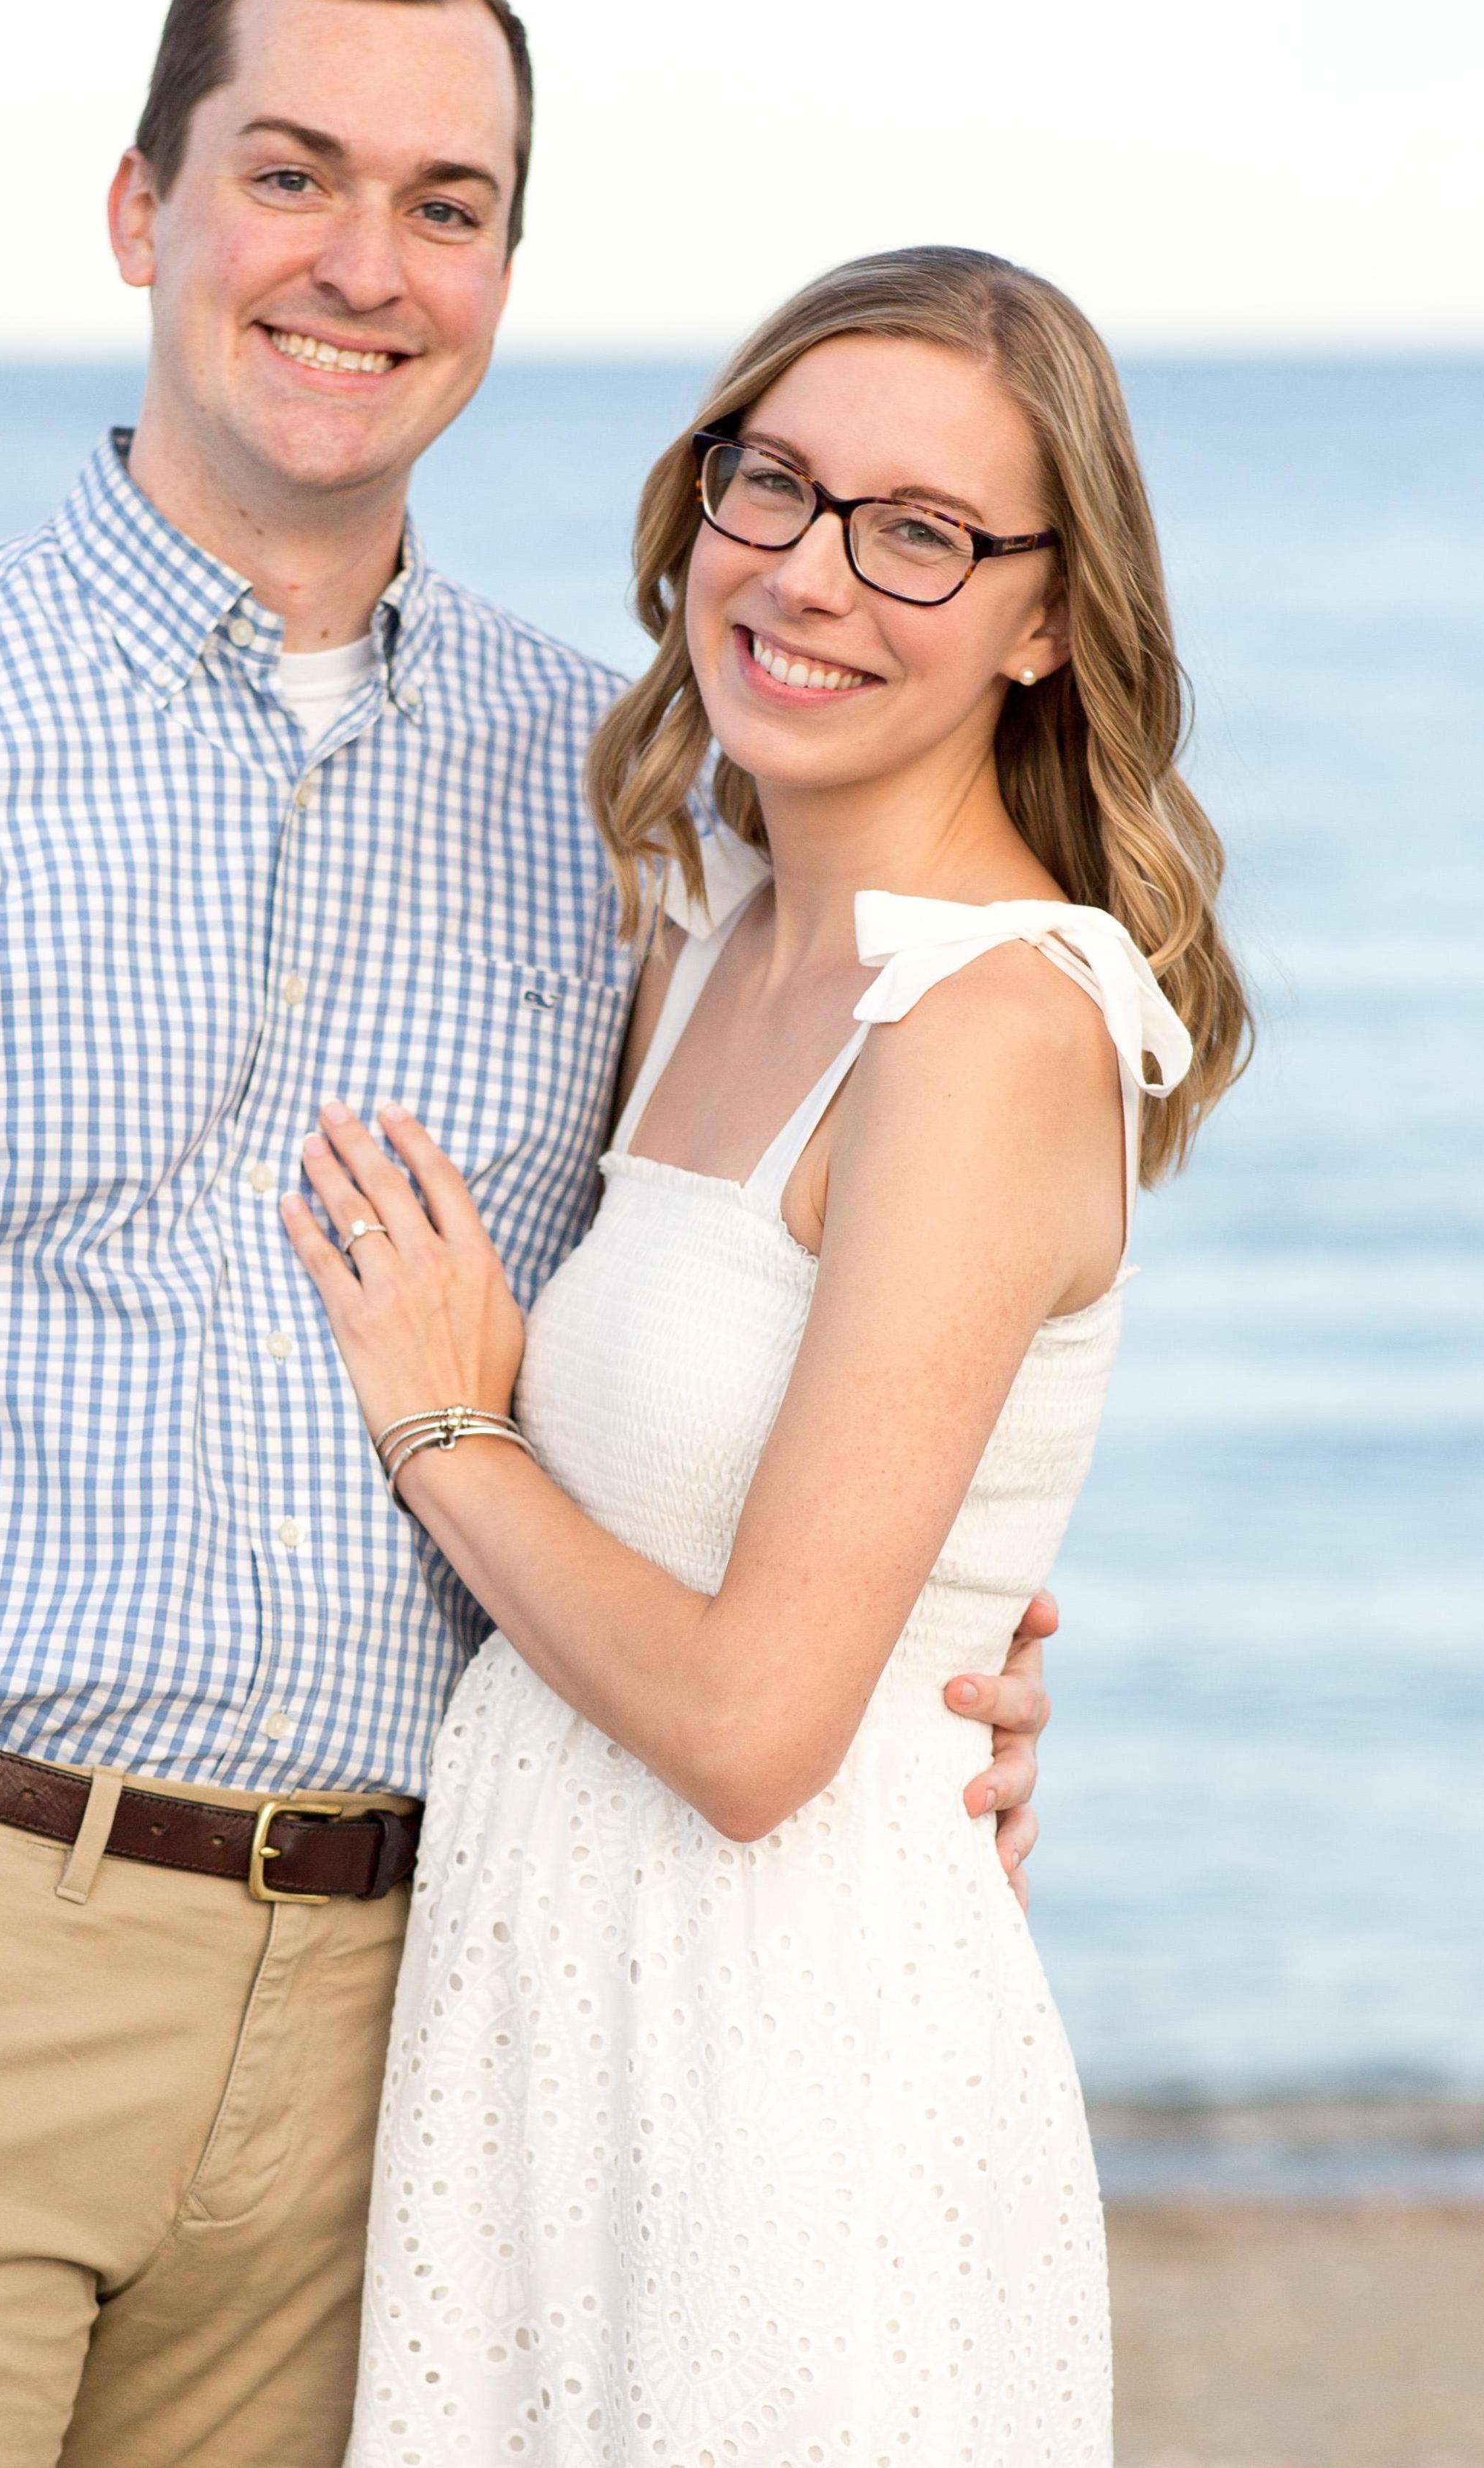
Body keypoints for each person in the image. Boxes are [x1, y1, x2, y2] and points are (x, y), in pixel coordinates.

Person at [0, 0, 1059, 2468]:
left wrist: (951, 1678)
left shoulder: (616, 805)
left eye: (445, 203)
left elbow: (757, 1315)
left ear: (505, 272)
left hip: (407, 2037)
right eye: (289, 172)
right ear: (138, 209)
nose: (360, 265)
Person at [280, 246, 1249, 2464]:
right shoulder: (711, 932)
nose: (812, 576)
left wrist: (446, 1421)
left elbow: (749, 1727)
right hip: (566, 2011)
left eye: (920, 532)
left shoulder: (990, 1031)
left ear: (1045, 619)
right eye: (775, 487)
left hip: (785, 2065)